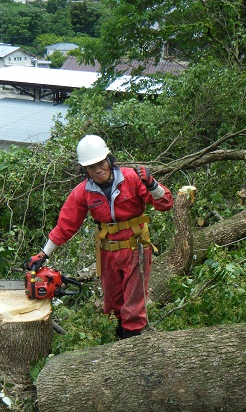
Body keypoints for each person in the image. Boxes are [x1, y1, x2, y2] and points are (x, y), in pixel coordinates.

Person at [26, 135, 174, 339]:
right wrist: (44, 253)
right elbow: (65, 225)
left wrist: (152, 185)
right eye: (91, 167)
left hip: (135, 248)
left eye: (100, 163)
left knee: (133, 305)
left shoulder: (131, 178)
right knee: (112, 306)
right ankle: (113, 342)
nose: (97, 170)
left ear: (109, 160)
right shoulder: (84, 192)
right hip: (108, 251)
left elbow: (165, 204)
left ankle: (132, 344)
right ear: (85, 169)